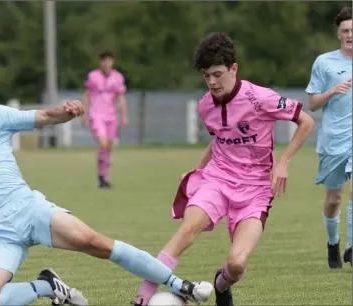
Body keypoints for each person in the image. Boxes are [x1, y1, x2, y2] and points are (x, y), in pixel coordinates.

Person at [0, 82, 214, 306]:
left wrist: (64, 112)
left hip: (27, 207)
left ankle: (177, 283)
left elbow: (43, 117)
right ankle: (46, 287)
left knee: (96, 242)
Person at [133, 33, 315, 306]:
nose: (212, 82)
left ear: (233, 68)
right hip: (217, 179)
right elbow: (218, 138)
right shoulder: (205, 105)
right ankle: (142, 299)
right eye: (206, 76)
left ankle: (221, 284)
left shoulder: (259, 97)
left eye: (217, 74)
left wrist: (283, 162)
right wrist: (196, 170)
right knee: (186, 232)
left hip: (255, 190)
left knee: (237, 263)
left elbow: (306, 122)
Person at [305, 6, 352, 268]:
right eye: (345, 30)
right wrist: (333, 90)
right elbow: (312, 104)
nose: (350, 35)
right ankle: (333, 242)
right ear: (338, 34)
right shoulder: (324, 62)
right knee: (334, 199)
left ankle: (351, 247)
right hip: (334, 140)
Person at [81, 50, 129, 188]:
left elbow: (121, 98)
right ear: (100, 62)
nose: (106, 63)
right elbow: (86, 95)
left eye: (109, 60)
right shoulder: (93, 76)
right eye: (104, 60)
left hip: (111, 116)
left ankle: (104, 176)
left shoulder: (118, 77)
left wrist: (124, 116)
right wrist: (83, 114)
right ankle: (102, 175)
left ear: (112, 62)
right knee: (103, 144)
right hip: (96, 115)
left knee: (108, 148)